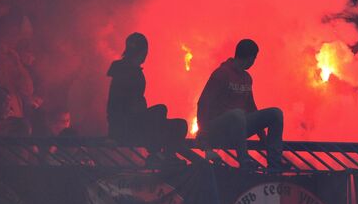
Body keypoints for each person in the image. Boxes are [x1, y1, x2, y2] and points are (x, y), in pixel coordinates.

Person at [196, 39, 284, 171]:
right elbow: (203, 103)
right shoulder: (221, 74)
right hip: (218, 129)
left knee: (276, 113)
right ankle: (244, 161)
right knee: (237, 114)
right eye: (254, 58)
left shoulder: (247, 78)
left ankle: (275, 164)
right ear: (250, 58)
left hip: (239, 128)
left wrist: (263, 137)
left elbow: (251, 108)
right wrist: (203, 134)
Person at [107, 33, 187, 166]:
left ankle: (163, 156)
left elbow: (114, 103)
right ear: (144, 52)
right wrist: (113, 133)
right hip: (130, 127)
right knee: (163, 111)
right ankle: (161, 156)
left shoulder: (125, 70)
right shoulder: (126, 72)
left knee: (178, 124)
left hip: (132, 126)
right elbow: (114, 104)